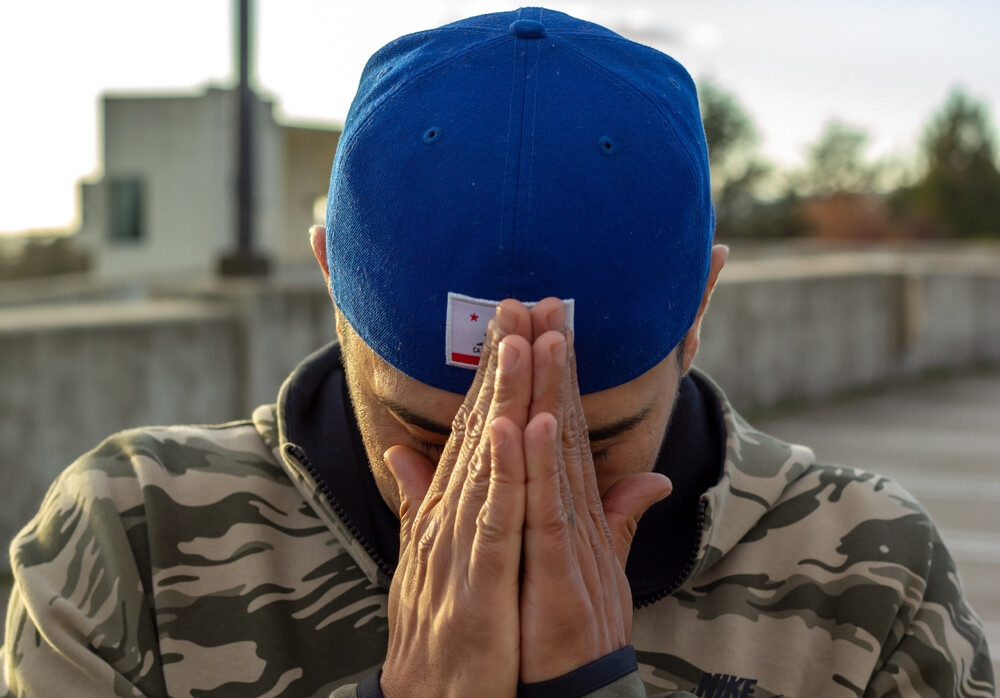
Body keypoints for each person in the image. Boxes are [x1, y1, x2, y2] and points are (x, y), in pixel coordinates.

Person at [1, 7, 993, 697]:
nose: (501, 494)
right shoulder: (134, 540)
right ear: (332, 289)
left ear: (699, 307)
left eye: (589, 441)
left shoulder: (869, 572)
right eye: (424, 431)